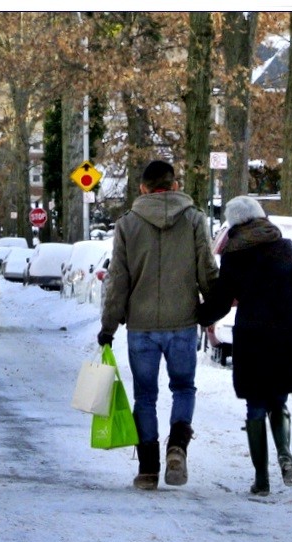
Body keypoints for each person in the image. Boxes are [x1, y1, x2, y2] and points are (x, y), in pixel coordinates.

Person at [98, 160, 219, 490]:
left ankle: (148, 470)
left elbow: (117, 280)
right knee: (183, 388)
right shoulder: (194, 219)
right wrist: (212, 307)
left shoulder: (128, 225)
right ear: (175, 185)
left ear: (143, 188)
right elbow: (207, 269)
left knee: (145, 397)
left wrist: (108, 326)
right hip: (182, 322)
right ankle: (177, 448)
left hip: (141, 326)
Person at [198, 195, 292, 496]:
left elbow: (222, 302)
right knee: (278, 400)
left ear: (235, 223)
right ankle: (284, 453)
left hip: (252, 335)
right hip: (286, 333)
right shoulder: (285, 247)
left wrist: (197, 316)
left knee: (255, 405)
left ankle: (261, 480)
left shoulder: (233, 255)